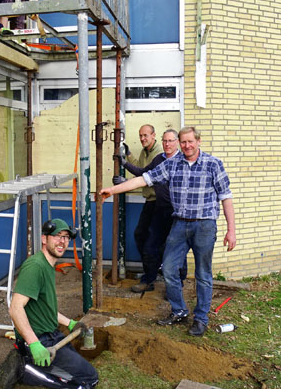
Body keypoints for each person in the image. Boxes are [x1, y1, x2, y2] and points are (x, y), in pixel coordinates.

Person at [101, 126, 236, 336]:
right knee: (170, 269)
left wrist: (231, 231)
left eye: (190, 141)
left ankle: (200, 318)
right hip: (180, 224)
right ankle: (179, 310)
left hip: (204, 226)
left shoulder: (213, 164)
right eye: (183, 142)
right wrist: (112, 190)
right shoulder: (172, 164)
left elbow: (226, 197)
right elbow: (144, 178)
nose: (187, 146)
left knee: (203, 274)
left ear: (198, 141)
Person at [0, 219, 98, 389]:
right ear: (44, 239)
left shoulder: (48, 264)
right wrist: (34, 344)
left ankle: (27, 359)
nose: (62, 242)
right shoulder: (35, 267)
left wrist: (70, 323)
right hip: (41, 341)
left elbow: (44, 307)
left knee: (76, 366)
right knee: (89, 379)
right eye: (57, 236)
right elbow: (15, 308)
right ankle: (26, 369)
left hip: (52, 335)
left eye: (66, 237)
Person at [115, 129, 187, 293]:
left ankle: (177, 287)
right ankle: (148, 280)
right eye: (165, 141)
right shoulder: (159, 159)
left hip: (177, 212)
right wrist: (125, 163)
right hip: (159, 210)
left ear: (177, 142)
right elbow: (144, 174)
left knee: (177, 249)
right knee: (150, 245)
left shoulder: (183, 161)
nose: (167, 144)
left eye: (171, 141)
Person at [122, 125, 163, 281]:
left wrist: (126, 180)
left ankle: (153, 275)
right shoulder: (145, 151)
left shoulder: (158, 153)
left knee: (153, 241)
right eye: (140, 136)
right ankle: (151, 272)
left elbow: (146, 175)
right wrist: (129, 155)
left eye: (145, 135)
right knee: (141, 235)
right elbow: (140, 167)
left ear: (154, 135)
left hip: (159, 203)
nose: (142, 139)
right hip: (150, 201)